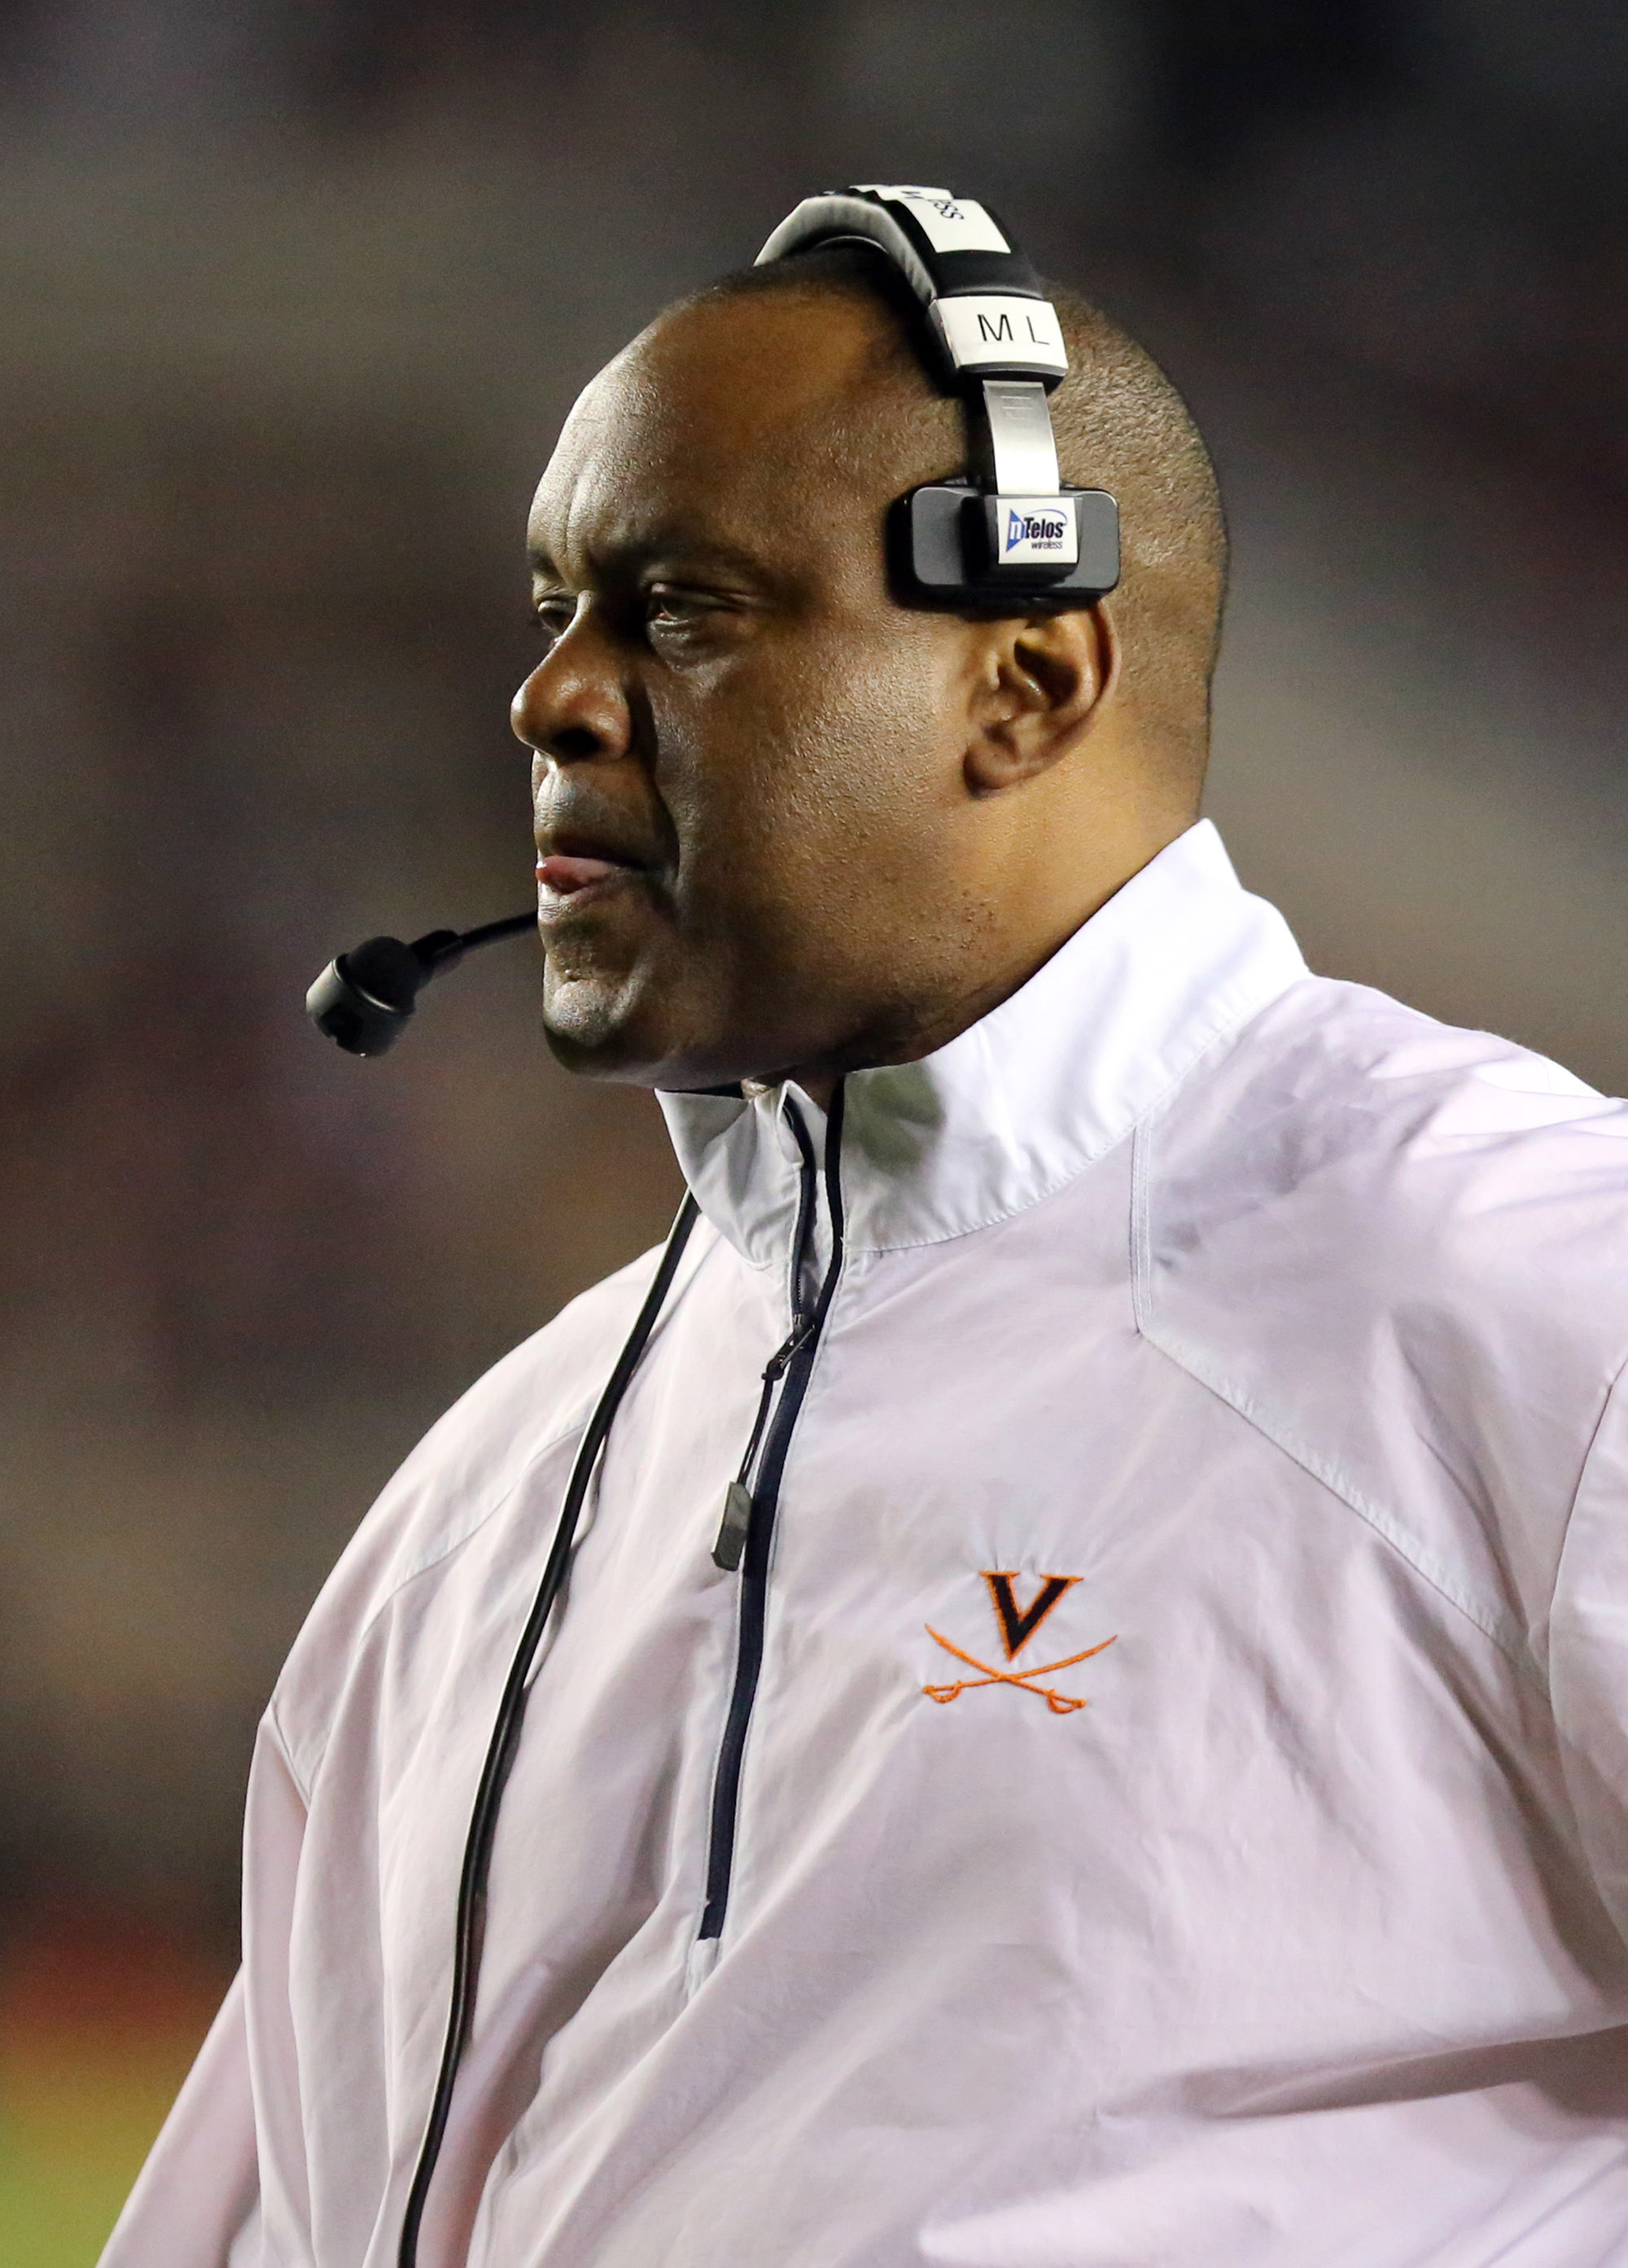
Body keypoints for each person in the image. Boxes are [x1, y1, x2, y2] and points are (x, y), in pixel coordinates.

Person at [104, 214, 1628, 2268]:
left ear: (1023, 680)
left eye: (684, 611)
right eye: (559, 607)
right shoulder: (484, 1499)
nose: (553, 696)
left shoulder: (1520, 1287)